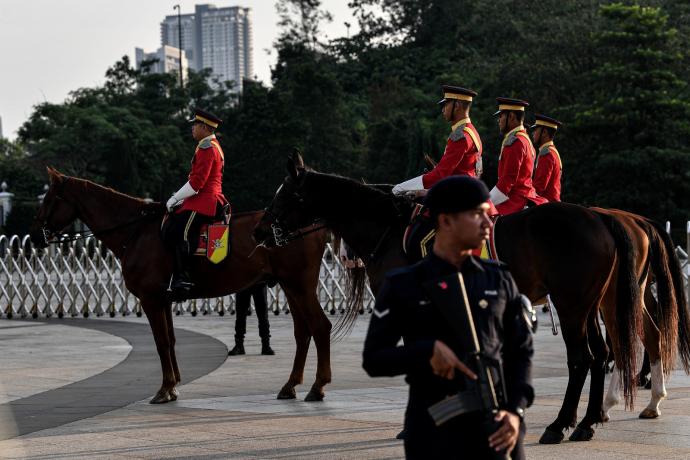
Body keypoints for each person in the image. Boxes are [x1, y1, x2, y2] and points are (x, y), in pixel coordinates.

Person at [363, 176, 535, 459]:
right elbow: (375, 358)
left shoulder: (500, 278)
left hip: (499, 428)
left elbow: (521, 352)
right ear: (445, 221)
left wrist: (515, 411)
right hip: (433, 429)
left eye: (487, 214)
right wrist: (425, 353)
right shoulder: (404, 284)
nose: (488, 223)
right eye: (477, 214)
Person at [164, 108, 228, 296]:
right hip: (203, 198)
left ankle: (182, 277)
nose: (192, 129)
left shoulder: (207, 147)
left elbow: (197, 183)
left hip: (205, 200)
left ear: (204, 127)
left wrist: (175, 198)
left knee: (180, 230)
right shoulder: (211, 145)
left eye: (195, 125)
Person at [392, 85, 483, 195]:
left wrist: (401, 187)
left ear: (457, 105)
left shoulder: (460, 136)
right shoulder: (472, 132)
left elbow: (440, 174)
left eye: (446, 104)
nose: (443, 109)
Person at [489, 98, 546, 214]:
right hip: (524, 196)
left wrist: (487, 201)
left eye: (501, 116)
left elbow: (508, 179)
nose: (498, 120)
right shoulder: (524, 139)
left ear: (511, 117)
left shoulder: (515, 141)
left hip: (515, 200)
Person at [228, 282, 275, 356]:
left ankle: (266, 345)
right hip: (243, 282)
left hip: (259, 281)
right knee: (240, 315)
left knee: (263, 315)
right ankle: (239, 345)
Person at [531, 114, 563, 202]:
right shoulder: (552, 151)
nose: (533, 133)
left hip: (548, 206)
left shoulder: (546, 153)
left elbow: (539, 186)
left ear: (544, 132)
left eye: (535, 130)